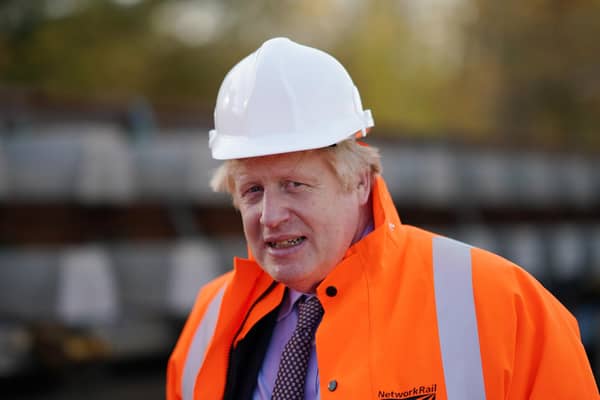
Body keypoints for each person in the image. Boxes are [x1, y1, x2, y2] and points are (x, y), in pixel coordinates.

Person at [166, 37, 598, 400]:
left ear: (358, 182)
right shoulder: (210, 319)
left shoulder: (503, 304)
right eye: (253, 191)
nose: (271, 216)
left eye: (294, 185)